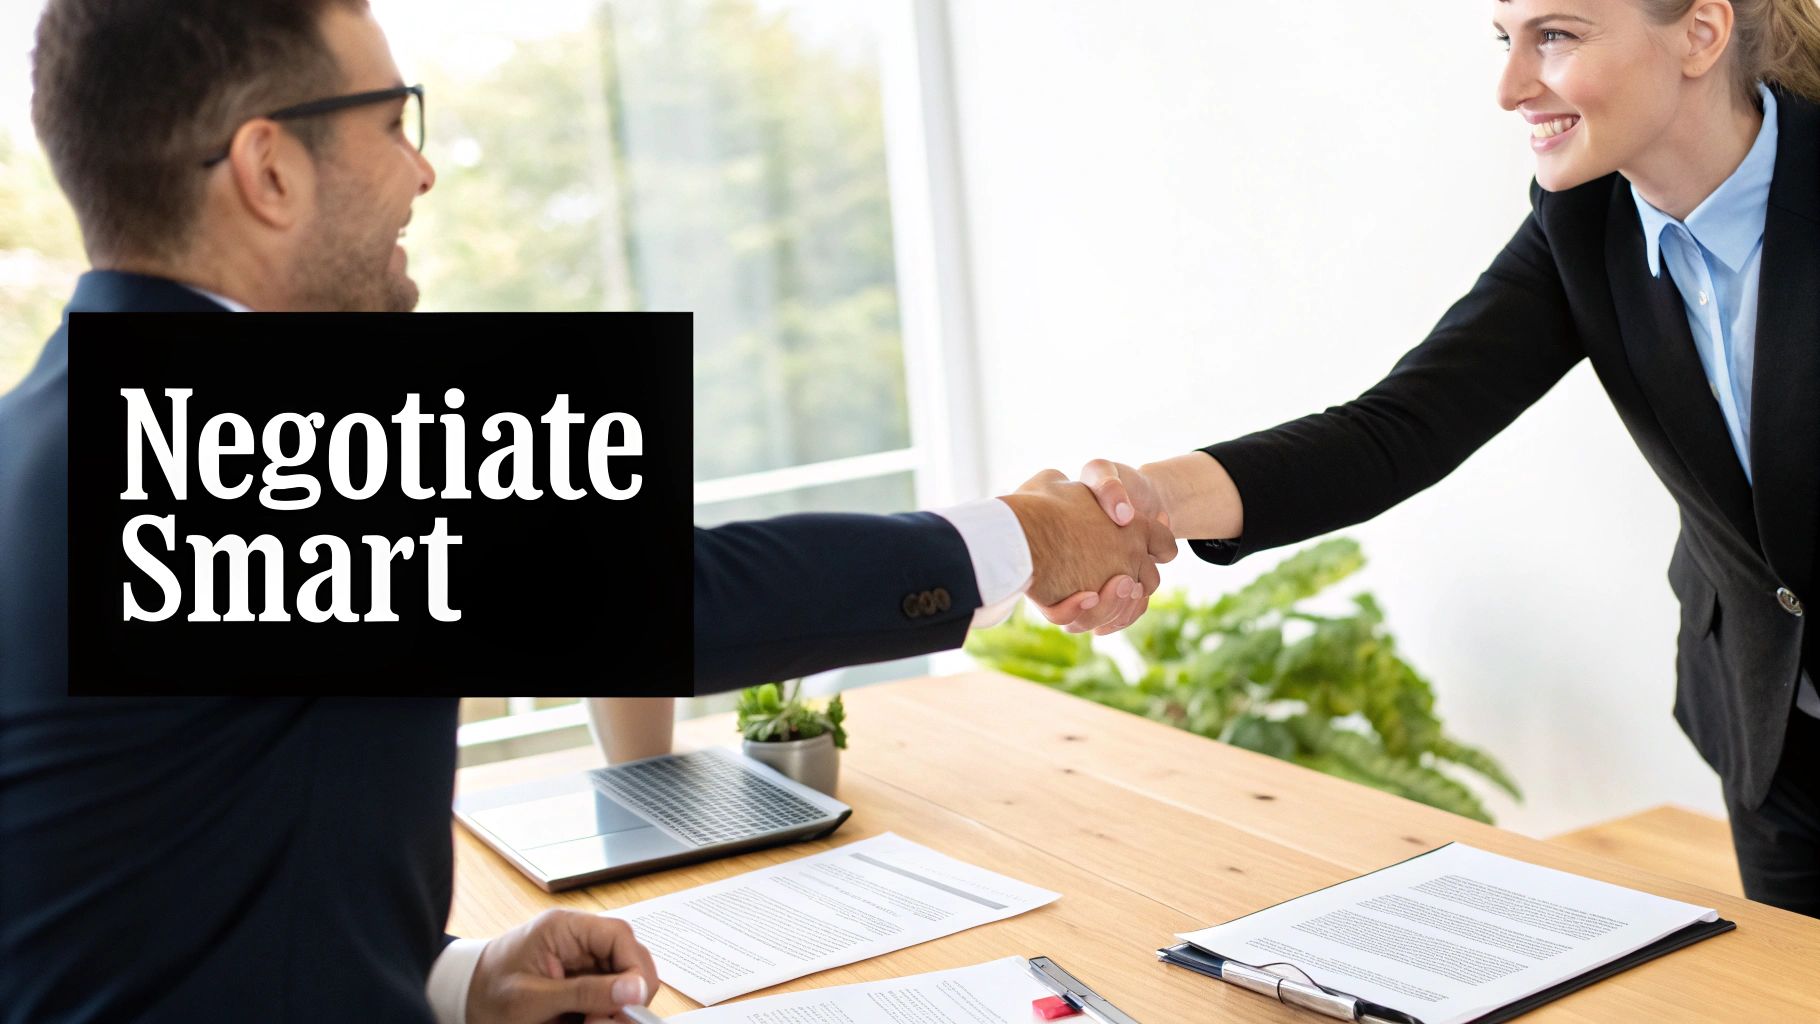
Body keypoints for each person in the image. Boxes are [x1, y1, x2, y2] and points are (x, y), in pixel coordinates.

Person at [0, 3, 1174, 1022]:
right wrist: (1034, 534)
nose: (422, 172)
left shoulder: (49, 432)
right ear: (269, 171)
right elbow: (680, 598)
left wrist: (455, 985)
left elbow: (145, 908)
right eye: (392, 120)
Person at [1050, 0, 1820, 919]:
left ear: (1700, 32)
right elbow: (1398, 429)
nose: (1509, 86)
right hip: (1774, 737)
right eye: (1507, 39)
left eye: (1558, 36)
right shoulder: (1585, 226)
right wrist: (1147, 499)